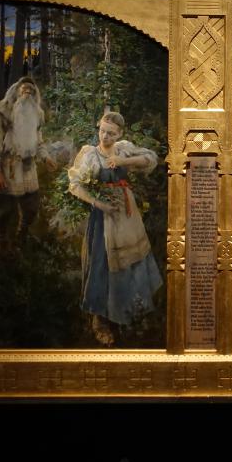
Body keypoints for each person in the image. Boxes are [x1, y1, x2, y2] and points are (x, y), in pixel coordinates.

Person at [67, 111, 163, 345]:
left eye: (111, 133)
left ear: (119, 134)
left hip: (126, 215)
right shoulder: (91, 155)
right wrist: (98, 204)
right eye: (102, 131)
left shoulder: (122, 149)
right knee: (102, 262)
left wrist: (123, 162)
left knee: (131, 259)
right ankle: (99, 319)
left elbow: (150, 158)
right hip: (103, 217)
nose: (105, 137)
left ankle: (130, 310)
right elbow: (75, 185)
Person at [0, 77, 56, 253]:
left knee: (31, 208)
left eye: (31, 90)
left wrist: (46, 158)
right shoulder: (3, 113)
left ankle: (20, 238)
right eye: (24, 89)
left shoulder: (36, 114)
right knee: (5, 211)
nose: (27, 93)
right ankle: (3, 244)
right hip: (8, 167)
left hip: (28, 167)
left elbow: (39, 141)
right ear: (16, 91)